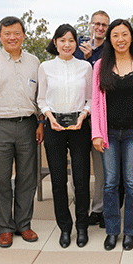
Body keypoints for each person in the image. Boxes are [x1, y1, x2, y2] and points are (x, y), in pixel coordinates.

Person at [0, 16, 44, 248]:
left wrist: (40, 123)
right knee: (0, 178)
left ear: (24, 35)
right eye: (7, 33)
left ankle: (23, 224)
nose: (12, 37)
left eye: (16, 33)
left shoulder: (35, 62)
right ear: (0, 36)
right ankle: (4, 227)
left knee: (27, 177)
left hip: (28, 125)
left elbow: (40, 98)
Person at [91, 19, 133, 251]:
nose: (120, 39)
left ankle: (130, 232)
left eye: (124, 34)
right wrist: (97, 133)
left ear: (131, 37)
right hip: (108, 134)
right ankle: (112, 230)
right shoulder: (100, 66)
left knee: (131, 183)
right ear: (110, 39)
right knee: (109, 183)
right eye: (115, 35)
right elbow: (96, 103)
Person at [38, 24, 92, 248]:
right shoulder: (45, 67)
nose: (67, 44)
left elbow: (90, 99)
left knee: (81, 180)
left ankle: (81, 226)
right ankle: (65, 227)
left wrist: (83, 116)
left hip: (79, 125)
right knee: (58, 181)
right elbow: (41, 99)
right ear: (55, 42)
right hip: (54, 126)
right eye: (62, 40)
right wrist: (50, 118)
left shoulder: (85, 67)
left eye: (71, 40)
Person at [75, 10, 110, 227]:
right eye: (96, 23)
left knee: (101, 169)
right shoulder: (77, 45)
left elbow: (103, 79)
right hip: (78, 115)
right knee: (78, 168)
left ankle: (99, 210)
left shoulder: (110, 49)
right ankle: (81, 207)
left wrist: (91, 59)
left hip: (100, 117)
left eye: (104, 25)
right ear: (90, 25)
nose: (99, 27)